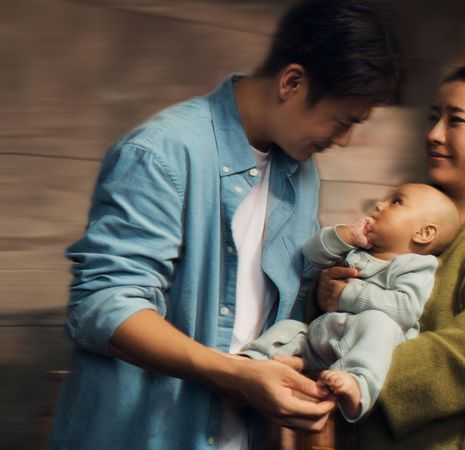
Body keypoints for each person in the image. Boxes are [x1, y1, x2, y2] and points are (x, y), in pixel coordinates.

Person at [48, 1, 400, 449]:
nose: (343, 140)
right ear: (292, 82)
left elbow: (269, 305)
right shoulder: (162, 152)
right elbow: (103, 305)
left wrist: (325, 289)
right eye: (342, 120)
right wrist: (234, 371)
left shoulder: (300, 171)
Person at [317, 64, 465, 449]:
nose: (433, 134)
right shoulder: (407, 220)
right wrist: (329, 292)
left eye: (456, 120)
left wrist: (361, 374)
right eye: (434, 119)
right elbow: (354, 310)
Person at [239, 183, 460, 423]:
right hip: (326, 334)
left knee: (378, 323)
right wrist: (343, 236)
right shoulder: (357, 248)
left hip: (367, 342)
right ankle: (253, 360)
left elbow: (406, 309)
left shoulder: (415, 266)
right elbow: (312, 255)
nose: (379, 204)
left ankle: (358, 382)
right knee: (292, 328)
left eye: (396, 202)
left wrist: (347, 294)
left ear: (423, 233)